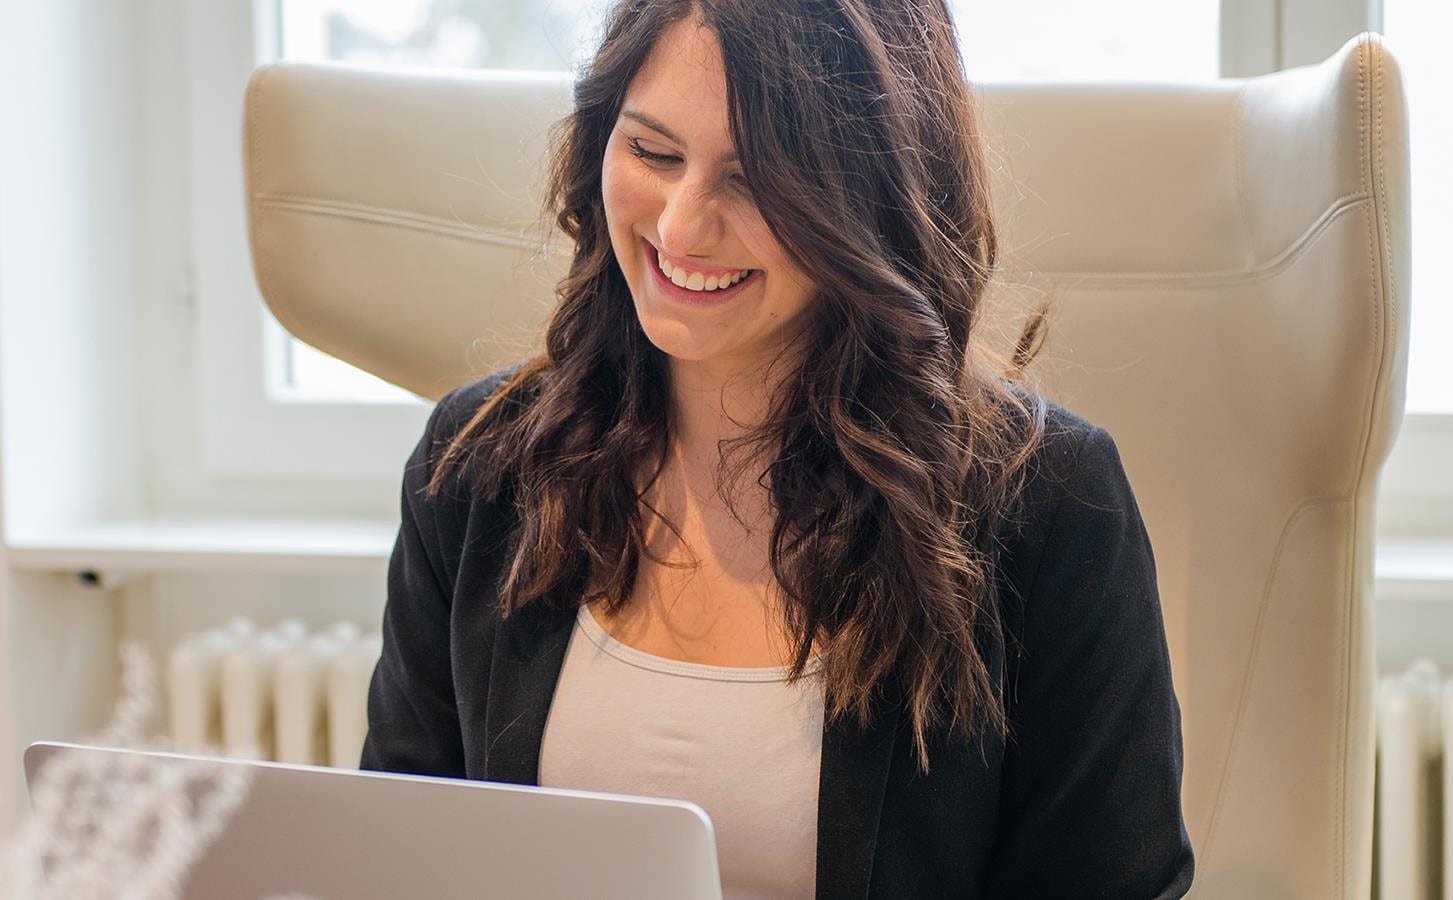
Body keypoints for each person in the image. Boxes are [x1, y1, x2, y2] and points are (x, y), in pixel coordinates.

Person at [358, 0, 1193, 896]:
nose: (680, 229)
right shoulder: (479, 466)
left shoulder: (1051, 505)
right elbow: (397, 858)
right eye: (653, 153)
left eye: (754, 181)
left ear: (869, 199)